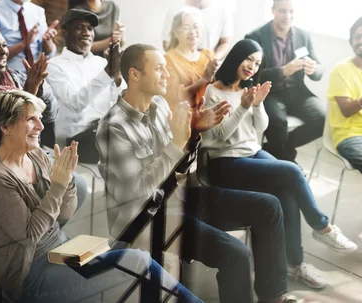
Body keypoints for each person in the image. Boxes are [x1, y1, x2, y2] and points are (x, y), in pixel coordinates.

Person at [97, 43, 297, 303]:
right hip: (144, 219)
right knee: (236, 253)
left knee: (269, 205)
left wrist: (193, 136)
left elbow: (179, 168)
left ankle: (274, 296)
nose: (167, 75)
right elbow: (140, 192)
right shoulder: (114, 127)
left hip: (177, 198)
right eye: (159, 69)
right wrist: (178, 144)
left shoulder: (158, 108)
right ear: (135, 75)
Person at [0, 89, 202, 303]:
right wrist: (58, 186)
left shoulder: (36, 155)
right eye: (31, 119)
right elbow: (28, 236)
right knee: (139, 263)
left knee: (135, 267)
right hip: (30, 275)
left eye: (40, 118)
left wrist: (66, 183)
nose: (40, 126)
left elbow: (65, 214)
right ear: (5, 126)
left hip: (61, 250)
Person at [202, 38, 358, 290]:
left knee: (287, 191)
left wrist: (257, 104)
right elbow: (220, 136)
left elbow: (259, 129)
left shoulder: (247, 89)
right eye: (248, 59)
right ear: (236, 57)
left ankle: (295, 264)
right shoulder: (213, 91)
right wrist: (242, 107)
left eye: (257, 63)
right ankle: (322, 226)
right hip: (225, 162)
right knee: (292, 170)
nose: (252, 66)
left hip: (252, 152)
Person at [0, 24, 87, 214]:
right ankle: (38, 238)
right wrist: (29, 94)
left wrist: (41, 88)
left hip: (25, 159)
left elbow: (50, 114)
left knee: (76, 186)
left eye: (4, 45)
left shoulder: (18, 78)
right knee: (38, 201)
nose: (4, 51)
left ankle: (46, 237)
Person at [245, 0, 325, 163]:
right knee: (278, 123)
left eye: (291, 12)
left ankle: (276, 148)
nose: (287, 16)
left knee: (323, 119)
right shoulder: (256, 37)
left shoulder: (304, 36)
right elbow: (251, 75)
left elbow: (320, 69)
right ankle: (287, 159)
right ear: (273, 11)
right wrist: (281, 71)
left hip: (297, 91)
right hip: (270, 92)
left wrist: (313, 69)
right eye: (282, 11)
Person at [46, 9, 122, 163]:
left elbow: (118, 100)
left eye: (90, 28)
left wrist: (117, 77)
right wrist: (108, 73)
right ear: (64, 33)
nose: (86, 32)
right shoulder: (54, 66)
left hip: (104, 131)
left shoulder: (102, 63)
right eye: (79, 27)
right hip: (74, 140)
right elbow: (75, 104)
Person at [163, 7, 218, 110]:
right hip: (184, 117)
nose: (192, 32)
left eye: (196, 27)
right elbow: (174, 97)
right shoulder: (168, 59)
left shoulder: (208, 55)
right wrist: (204, 80)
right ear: (175, 32)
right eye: (186, 28)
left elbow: (218, 87)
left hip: (210, 113)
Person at [0, 0, 59, 73]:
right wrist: (24, 44)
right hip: (9, 75)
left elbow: (47, 53)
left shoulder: (38, 11)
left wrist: (47, 41)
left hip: (38, 73)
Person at [327, 17, 362, 172]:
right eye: (357, 36)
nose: (361, 41)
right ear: (351, 40)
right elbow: (346, 110)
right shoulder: (342, 69)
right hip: (349, 136)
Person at [162, 0, 233, 61]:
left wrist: (214, 60)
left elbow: (225, 43)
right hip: (180, 64)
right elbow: (166, 42)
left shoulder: (223, 10)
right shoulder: (175, 9)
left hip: (208, 65)